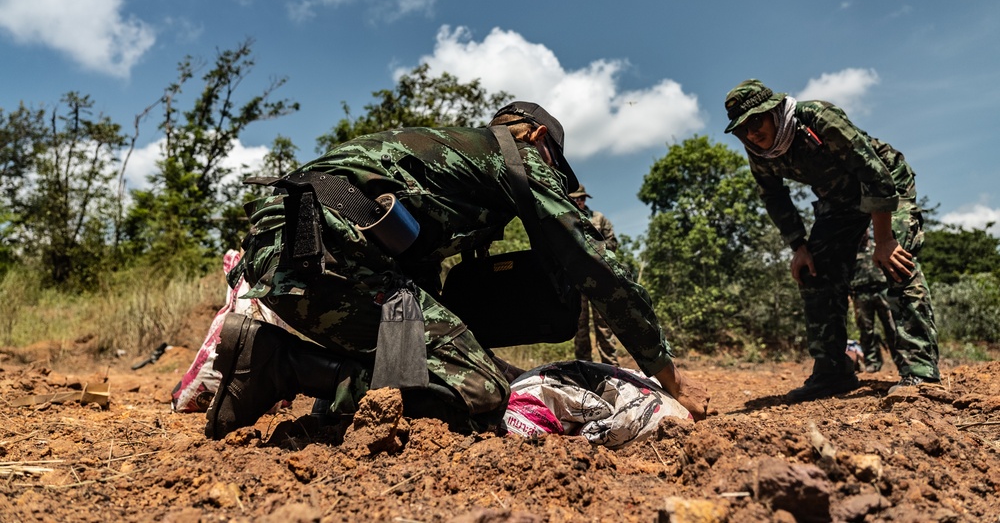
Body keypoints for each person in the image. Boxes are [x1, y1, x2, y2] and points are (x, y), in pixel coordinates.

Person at [205, 101, 710, 439]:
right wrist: (667, 375)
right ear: (537, 137)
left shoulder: (444, 157)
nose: (554, 175)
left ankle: (304, 386)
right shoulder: (517, 158)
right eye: (555, 162)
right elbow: (599, 267)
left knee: (423, 379)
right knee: (483, 393)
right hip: (324, 252)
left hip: (292, 246)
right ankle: (278, 362)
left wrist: (468, 354)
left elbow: (415, 293)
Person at [723, 79, 939, 402]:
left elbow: (873, 172)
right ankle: (833, 372)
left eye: (756, 121)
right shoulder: (759, 152)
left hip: (885, 184)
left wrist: (883, 239)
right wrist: (799, 246)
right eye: (743, 129)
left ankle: (920, 371)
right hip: (838, 202)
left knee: (896, 260)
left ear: (774, 111)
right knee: (815, 270)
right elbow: (774, 197)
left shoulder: (818, 118)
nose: (752, 133)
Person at [569, 185, 621, 366]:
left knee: (604, 326)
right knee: (579, 328)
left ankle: (611, 368)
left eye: (581, 198)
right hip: (577, 280)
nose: (578, 202)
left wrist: (593, 250)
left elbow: (613, 243)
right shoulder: (566, 220)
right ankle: (585, 369)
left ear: (585, 199)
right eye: (574, 199)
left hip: (600, 279)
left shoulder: (598, 218)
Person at [850, 229, 898, 373]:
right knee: (866, 330)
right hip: (861, 293)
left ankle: (901, 361)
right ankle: (872, 363)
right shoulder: (851, 249)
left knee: (892, 327)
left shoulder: (879, 243)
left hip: (883, 290)